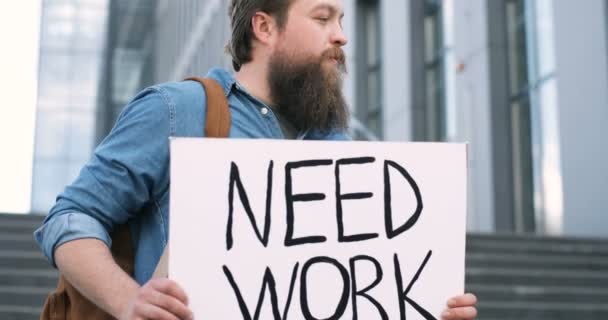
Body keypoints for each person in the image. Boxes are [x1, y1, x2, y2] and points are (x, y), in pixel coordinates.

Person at [34, 0, 478, 319]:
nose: (341, 34)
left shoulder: (344, 151)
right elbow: (71, 217)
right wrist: (128, 300)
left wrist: (426, 306)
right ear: (264, 28)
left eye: (341, 19)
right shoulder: (177, 110)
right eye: (323, 17)